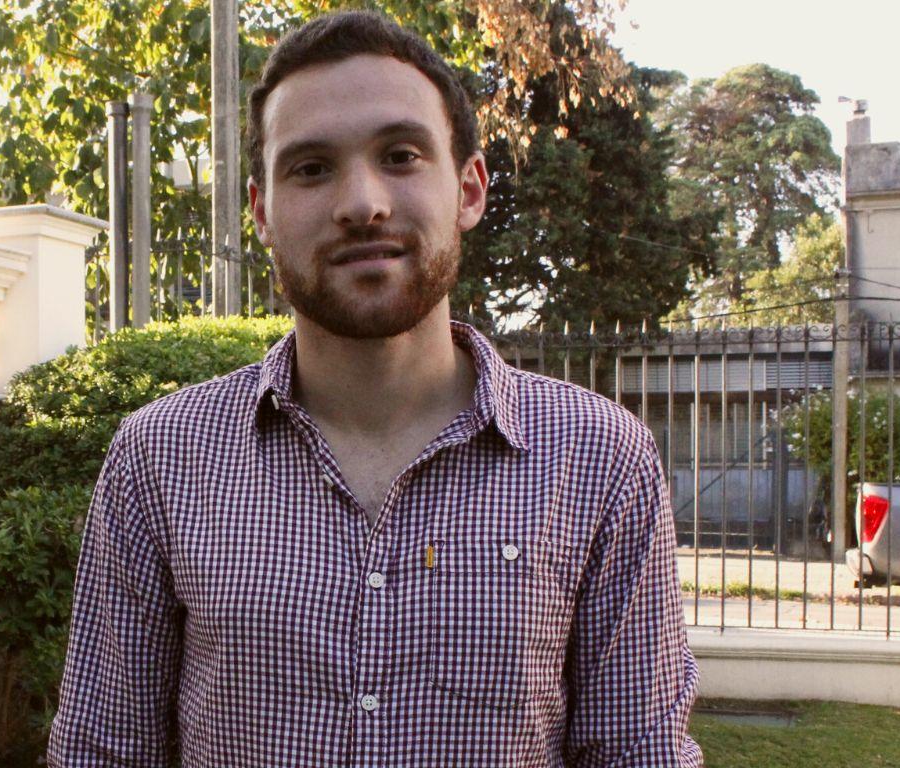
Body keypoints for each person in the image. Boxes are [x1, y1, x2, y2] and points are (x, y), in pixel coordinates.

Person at [46, 10, 699, 767]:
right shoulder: (161, 458)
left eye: (400, 155)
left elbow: (639, 752)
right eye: (311, 168)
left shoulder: (599, 458)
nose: (362, 202)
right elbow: (103, 752)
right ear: (261, 210)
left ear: (470, 189)